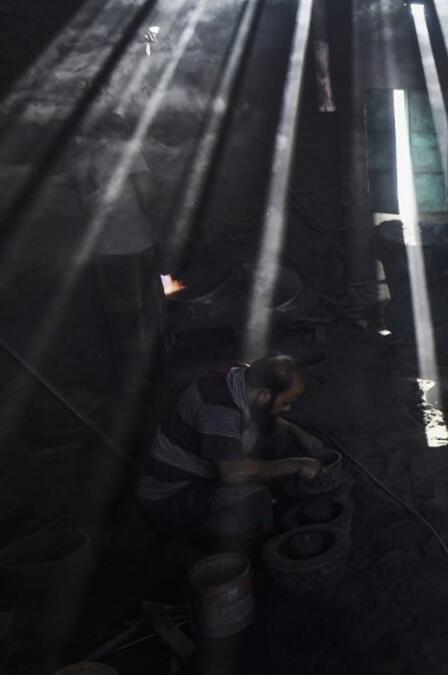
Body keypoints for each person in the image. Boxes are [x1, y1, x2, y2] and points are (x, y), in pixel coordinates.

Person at [136, 355, 327, 551]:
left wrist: (298, 433)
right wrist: (296, 465)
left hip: (205, 471)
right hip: (171, 498)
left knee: (280, 443)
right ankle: (203, 548)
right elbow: (232, 473)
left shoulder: (242, 377)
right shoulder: (218, 409)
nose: (288, 408)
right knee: (254, 500)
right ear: (265, 395)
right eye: (285, 402)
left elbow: (263, 412)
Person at [73, 111, 163, 393]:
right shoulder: (128, 150)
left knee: (119, 312)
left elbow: (84, 204)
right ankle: (147, 376)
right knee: (144, 307)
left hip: (104, 248)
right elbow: (146, 194)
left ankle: (125, 377)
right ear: (120, 130)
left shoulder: (83, 158)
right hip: (134, 242)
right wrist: (159, 226)